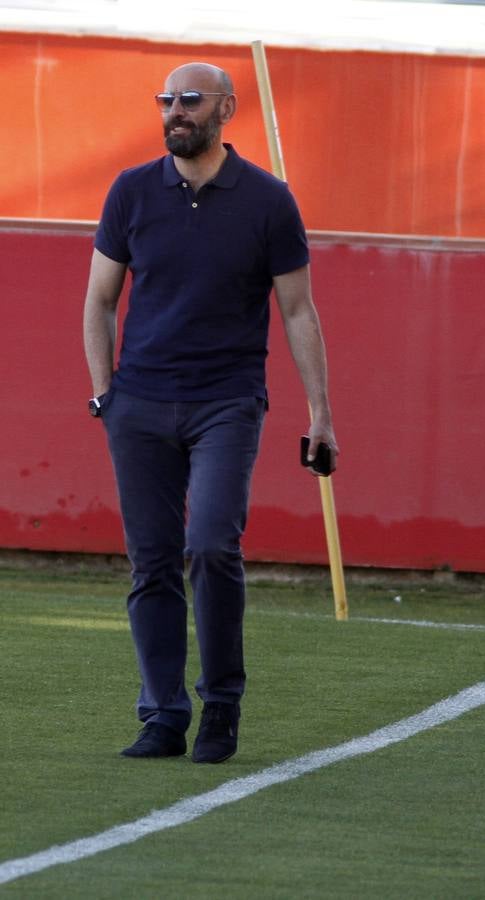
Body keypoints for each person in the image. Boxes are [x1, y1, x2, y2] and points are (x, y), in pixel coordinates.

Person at [83, 62, 337, 763]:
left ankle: (220, 706)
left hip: (226, 401)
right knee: (153, 561)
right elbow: (100, 300)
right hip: (139, 404)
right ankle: (163, 714)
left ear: (226, 108)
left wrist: (321, 414)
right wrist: (106, 394)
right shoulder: (132, 191)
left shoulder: (267, 200)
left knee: (211, 544)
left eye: (189, 100)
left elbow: (297, 310)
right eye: (166, 100)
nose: (174, 111)